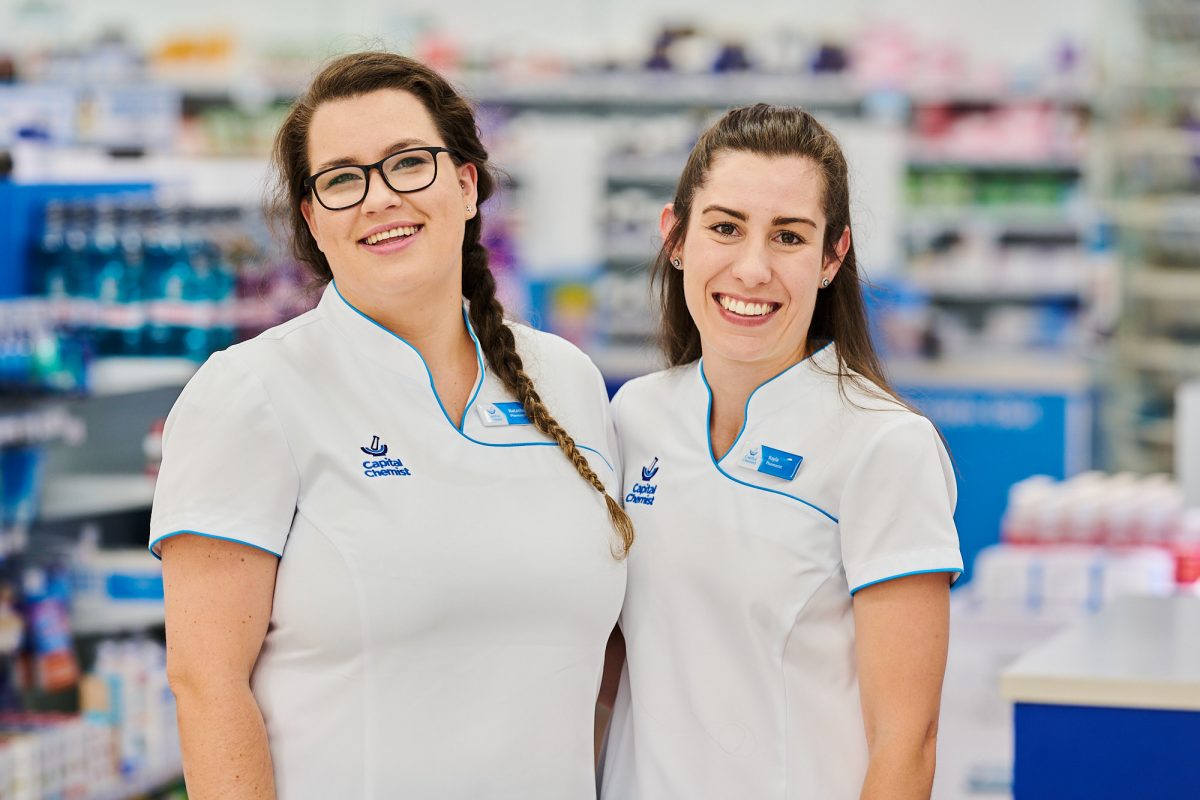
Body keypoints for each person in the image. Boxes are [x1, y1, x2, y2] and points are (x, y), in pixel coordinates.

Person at [150, 51, 632, 800]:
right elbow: (206, 685)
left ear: (467, 184)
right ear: (313, 217)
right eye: (342, 178)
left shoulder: (565, 381)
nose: (379, 198)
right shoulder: (251, 395)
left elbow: (593, 673)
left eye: (409, 163)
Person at [598, 104, 962, 800]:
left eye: (789, 237)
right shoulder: (634, 417)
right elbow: (611, 676)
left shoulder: (884, 446)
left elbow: (906, 743)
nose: (752, 268)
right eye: (725, 227)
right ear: (675, 236)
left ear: (833, 257)